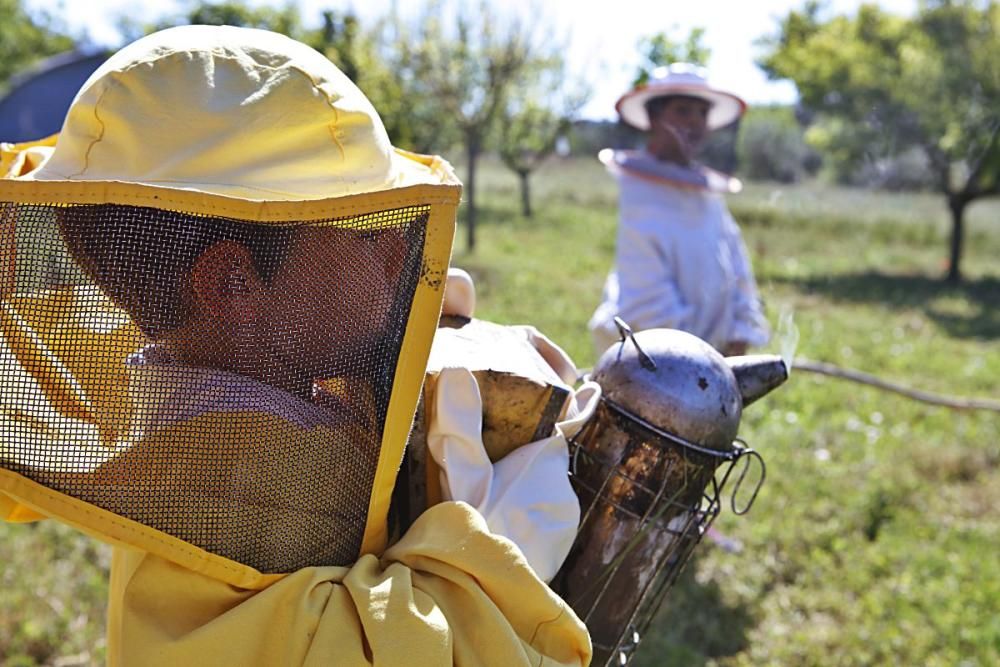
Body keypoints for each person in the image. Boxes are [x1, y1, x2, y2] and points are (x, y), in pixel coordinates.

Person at [0, 25, 591, 665]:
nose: (401, 255)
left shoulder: (183, 401)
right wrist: (497, 547)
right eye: (367, 232)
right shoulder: (264, 478)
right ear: (232, 283)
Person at [589, 63, 770, 357]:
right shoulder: (639, 191)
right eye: (683, 110)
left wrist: (739, 334)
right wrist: (699, 359)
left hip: (716, 360)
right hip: (653, 366)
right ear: (654, 117)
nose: (696, 122)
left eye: (702, 113)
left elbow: (738, 267)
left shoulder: (708, 194)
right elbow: (646, 297)